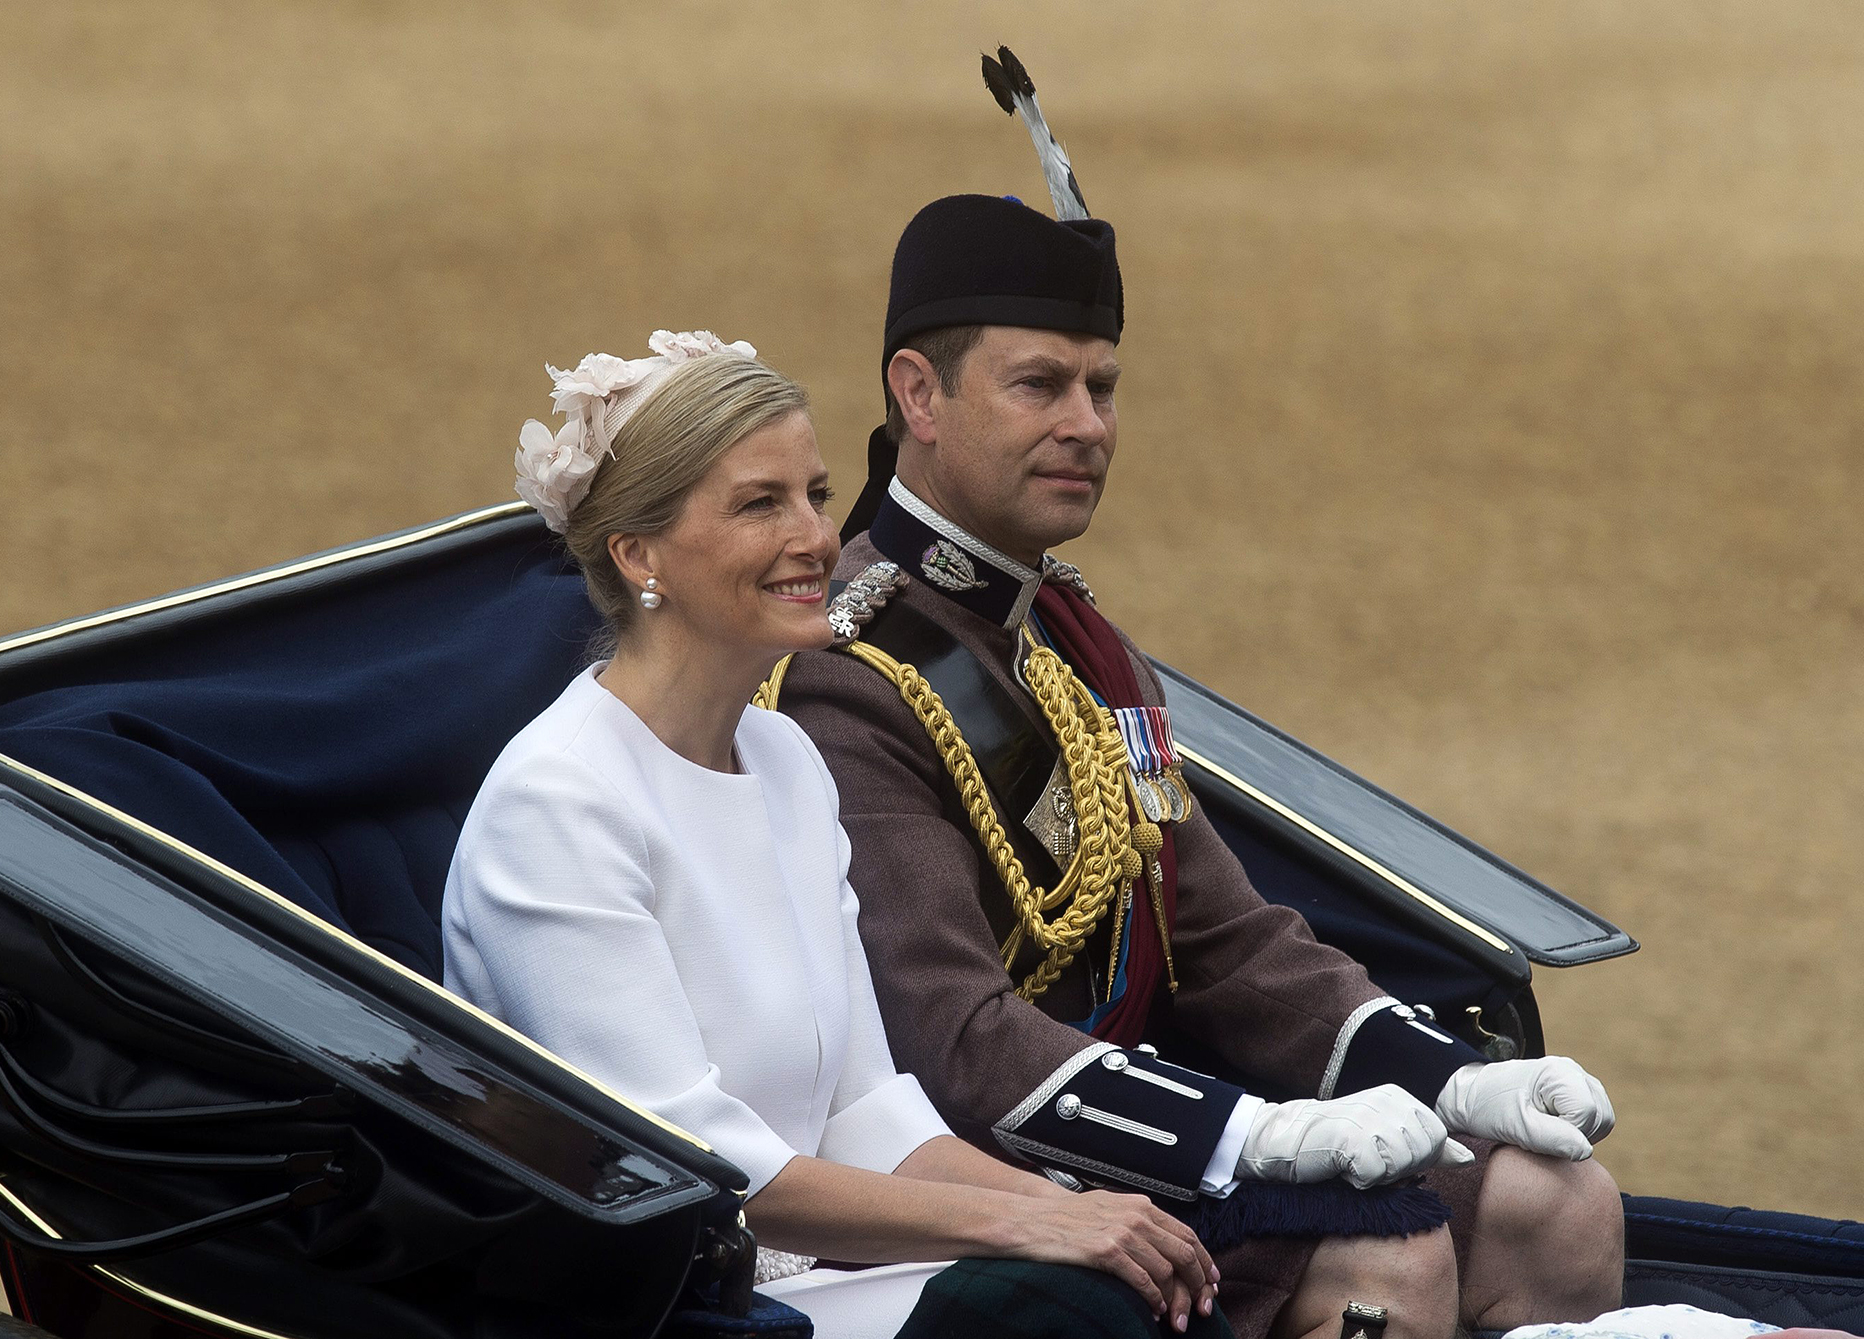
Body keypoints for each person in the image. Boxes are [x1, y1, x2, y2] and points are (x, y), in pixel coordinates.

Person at [767, 194, 1629, 1339]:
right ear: (918, 394)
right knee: (1393, 1253)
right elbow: (955, 1041)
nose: (1087, 423)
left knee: (1558, 1203)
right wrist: (1252, 1137)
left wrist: (1447, 1080)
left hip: (1143, 1117)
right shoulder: (854, 667)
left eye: (1103, 387)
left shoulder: (1074, 643)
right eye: (1039, 385)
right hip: (986, 1175)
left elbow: (1220, 939)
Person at [441, 331, 1225, 1339]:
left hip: (809, 1281)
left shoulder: (784, 758)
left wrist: (1074, 1214)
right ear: (639, 556)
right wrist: (1030, 1226)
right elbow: (702, 1166)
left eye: (815, 493)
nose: (816, 536)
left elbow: (866, 1112)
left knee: (1141, 1290)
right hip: (673, 1307)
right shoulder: (556, 803)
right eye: (760, 503)